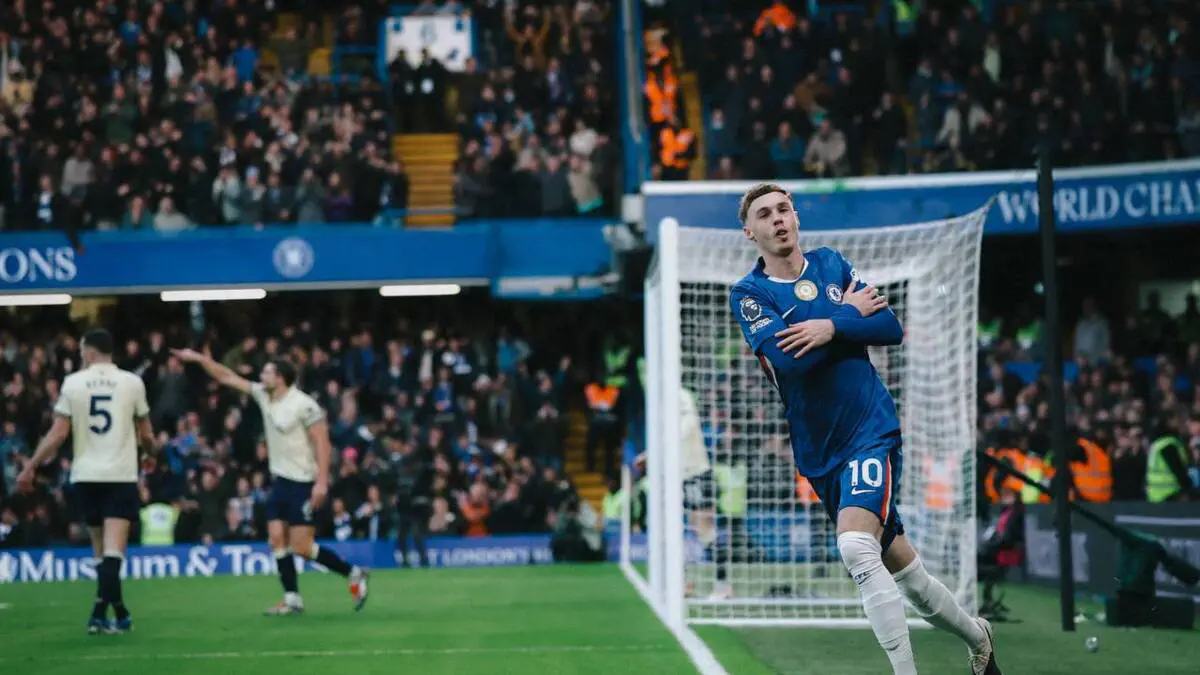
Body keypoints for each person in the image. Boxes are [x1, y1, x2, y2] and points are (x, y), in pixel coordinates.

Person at [728, 184, 1000, 675]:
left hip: (870, 429)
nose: (778, 219)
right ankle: (978, 637)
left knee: (854, 546)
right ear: (750, 232)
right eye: (764, 214)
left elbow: (890, 328)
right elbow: (789, 363)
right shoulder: (750, 294)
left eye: (784, 209)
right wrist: (848, 316)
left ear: (796, 216)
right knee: (910, 577)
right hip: (819, 449)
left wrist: (829, 328)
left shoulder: (831, 264)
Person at [171, 348, 369, 615]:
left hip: (302, 481)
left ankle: (353, 572)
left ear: (281, 378)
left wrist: (322, 482)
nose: (261, 375)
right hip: (280, 481)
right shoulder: (264, 395)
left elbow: (323, 443)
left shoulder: (304, 405)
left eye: (267, 372)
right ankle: (292, 599)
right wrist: (199, 358)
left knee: (301, 546)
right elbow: (227, 377)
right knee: (276, 538)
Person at [17, 328, 157, 634]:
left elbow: (57, 434)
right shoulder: (132, 383)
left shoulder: (73, 383)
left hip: (86, 475)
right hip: (119, 474)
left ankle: (116, 613)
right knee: (113, 552)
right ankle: (100, 614)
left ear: (90, 352)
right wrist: (151, 454)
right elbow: (146, 433)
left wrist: (31, 465)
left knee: (100, 551)